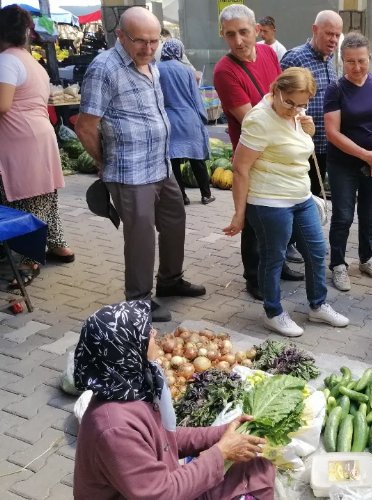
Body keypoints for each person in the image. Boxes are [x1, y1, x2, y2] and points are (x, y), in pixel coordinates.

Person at [75, 6, 206, 323]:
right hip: (130, 172)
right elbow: (85, 126)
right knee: (140, 238)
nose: (148, 48)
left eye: (154, 40)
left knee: (175, 223)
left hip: (161, 165)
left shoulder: (153, 64)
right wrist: (104, 162)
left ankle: (170, 281)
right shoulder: (104, 69)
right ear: (120, 35)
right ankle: (138, 301)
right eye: (140, 41)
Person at [73, 300, 275, 499]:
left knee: (257, 467)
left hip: (158, 485)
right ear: (128, 350)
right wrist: (221, 453)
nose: (155, 334)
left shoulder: (130, 390)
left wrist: (223, 432)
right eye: (147, 333)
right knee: (254, 475)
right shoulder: (115, 429)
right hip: (161, 493)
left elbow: (166, 438)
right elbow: (161, 494)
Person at [224, 68, 349, 336]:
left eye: (302, 104)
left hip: (300, 196)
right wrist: (239, 213)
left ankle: (317, 306)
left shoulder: (298, 114)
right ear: (276, 90)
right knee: (274, 258)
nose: (294, 109)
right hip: (269, 201)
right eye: (289, 102)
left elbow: (296, 147)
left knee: (317, 252)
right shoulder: (259, 119)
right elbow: (240, 168)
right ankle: (274, 312)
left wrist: (310, 129)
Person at [214, 4, 303, 301]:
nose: (238, 40)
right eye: (230, 35)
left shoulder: (267, 53)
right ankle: (253, 277)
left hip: (277, 151)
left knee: (280, 213)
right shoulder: (224, 72)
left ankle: (277, 267)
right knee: (254, 220)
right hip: (252, 154)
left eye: (243, 32)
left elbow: (282, 95)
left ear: (256, 30)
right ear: (223, 36)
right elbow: (252, 119)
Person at [0, 5, 75, 288]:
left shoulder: (6, 61)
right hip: (40, 134)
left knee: (25, 200)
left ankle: (29, 260)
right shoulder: (33, 63)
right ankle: (58, 246)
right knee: (44, 195)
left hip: (20, 140)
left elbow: (3, 104)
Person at [324, 33, 372, 291]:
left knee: (370, 215)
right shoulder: (335, 89)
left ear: (370, 58)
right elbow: (332, 133)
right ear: (342, 62)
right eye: (350, 61)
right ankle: (338, 264)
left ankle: (367, 259)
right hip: (343, 164)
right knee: (343, 216)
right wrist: (365, 155)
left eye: (362, 61)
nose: (357, 67)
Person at [281, 11, 343, 198]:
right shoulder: (295, 58)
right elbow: (279, 100)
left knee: (314, 196)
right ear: (315, 30)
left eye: (337, 35)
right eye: (329, 33)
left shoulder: (331, 59)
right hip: (299, 146)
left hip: (324, 146)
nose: (333, 39)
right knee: (297, 196)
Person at [158, 38, 215, 206]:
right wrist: (202, 116)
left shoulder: (156, 69)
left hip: (169, 119)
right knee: (197, 159)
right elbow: (195, 97)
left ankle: (181, 196)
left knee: (173, 160)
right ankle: (206, 195)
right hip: (189, 118)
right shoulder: (187, 70)